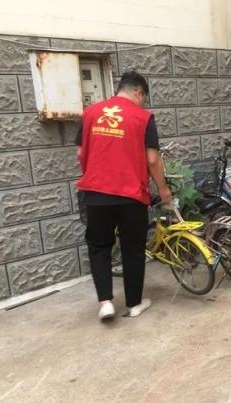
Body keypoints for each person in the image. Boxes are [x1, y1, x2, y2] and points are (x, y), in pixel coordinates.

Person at [76, 71, 173, 320]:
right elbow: (152, 159)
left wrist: (94, 175)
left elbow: (80, 153)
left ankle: (105, 303)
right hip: (131, 195)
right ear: (138, 92)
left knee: (99, 247)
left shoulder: (90, 113)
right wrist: (163, 190)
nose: (143, 103)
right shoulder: (143, 117)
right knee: (132, 248)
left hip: (96, 193)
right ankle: (134, 304)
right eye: (143, 98)